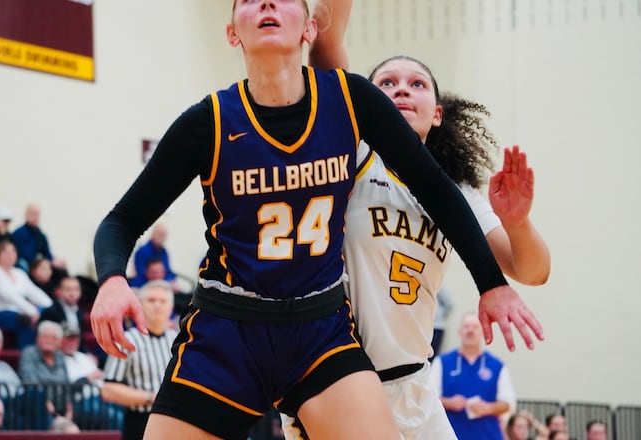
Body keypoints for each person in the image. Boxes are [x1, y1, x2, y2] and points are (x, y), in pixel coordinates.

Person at [91, 1, 539, 438]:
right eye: (248, 0)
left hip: (319, 330)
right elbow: (122, 220)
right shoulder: (207, 122)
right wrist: (111, 279)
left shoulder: (349, 100)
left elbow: (437, 188)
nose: (267, 3)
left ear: (309, 29)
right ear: (232, 33)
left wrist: (491, 283)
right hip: (228, 326)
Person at [282, 1, 550, 438]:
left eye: (416, 84)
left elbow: (532, 272)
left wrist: (518, 223)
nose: (402, 90)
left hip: (415, 382)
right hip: (339, 383)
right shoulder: (351, 155)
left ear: (437, 112)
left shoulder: (456, 192)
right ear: (364, 103)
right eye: (386, 83)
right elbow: (327, 45)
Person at [101, 280, 177, 440]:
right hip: (140, 422)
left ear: (171, 307)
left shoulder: (178, 340)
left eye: (163, 301)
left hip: (174, 421)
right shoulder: (127, 341)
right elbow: (108, 389)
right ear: (140, 305)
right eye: (151, 300)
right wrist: (152, 397)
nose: (157, 305)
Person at [431, 313, 516, 439]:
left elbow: (508, 404)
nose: (470, 331)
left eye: (475, 327)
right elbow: (428, 397)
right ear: (459, 331)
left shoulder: (497, 365)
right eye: (466, 326)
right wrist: (449, 402)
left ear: (482, 332)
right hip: (450, 435)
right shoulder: (442, 362)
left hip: (488, 435)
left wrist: (488, 408)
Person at [0, 240, 53, 349]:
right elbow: (11, 296)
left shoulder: (19, 273)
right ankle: (25, 352)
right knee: (26, 321)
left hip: (17, 313)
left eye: (13, 251)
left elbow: (34, 292)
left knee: (45, 315)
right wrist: (32, 312)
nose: (10, 255)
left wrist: (52, 307)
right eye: (6, 252)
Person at [12, 203, 67, 272]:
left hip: (38, 265)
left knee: (59, 265)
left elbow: (47, 254)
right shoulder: (18, 233)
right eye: (33, 213)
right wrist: (40, 262)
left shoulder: (41, 235)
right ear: (26, 215)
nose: (35, 217)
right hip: (25, 264)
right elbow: (22, 255)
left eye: (37, 214)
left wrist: (55, 261)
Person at [39, 276, 87, 353]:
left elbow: (81, 340)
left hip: (75, 353)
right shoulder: (50, 312)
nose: (72, 293)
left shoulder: (80, 313)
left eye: (75, 289)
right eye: (68, 289)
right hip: (55, 353)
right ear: (59, 291)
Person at [129, 223, 177, 290]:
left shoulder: (164, 252)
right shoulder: (143, 251)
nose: (162, 237)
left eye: (164, 235)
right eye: (160, 234)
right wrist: (159, 281)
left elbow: (168, 271)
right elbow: (141, 272)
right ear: (153, 234)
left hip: (161, 283)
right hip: (144, 283)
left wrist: (171, 281)